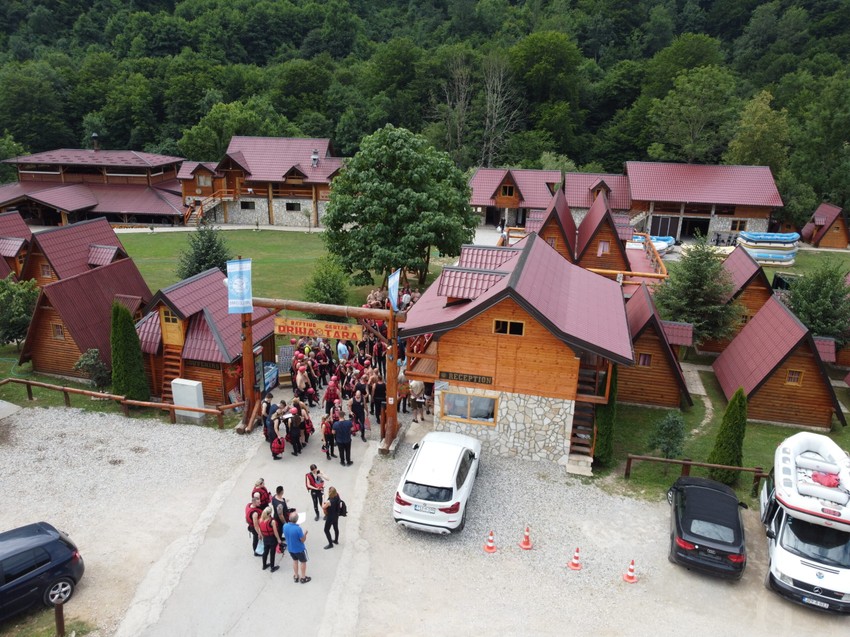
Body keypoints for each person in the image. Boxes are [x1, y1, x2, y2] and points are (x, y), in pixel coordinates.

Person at [283, 511, 310, 584]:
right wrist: (305, 533)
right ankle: (303, 577)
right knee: (303, 562)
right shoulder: (298, 529)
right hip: (299, 549)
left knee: (295, 561)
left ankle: (296, 576)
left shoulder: (285, 526)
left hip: (291, 549)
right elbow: (302, 540)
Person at [259, 506, 281, 572]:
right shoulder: (272, 521)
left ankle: (264, 565)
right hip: (272, 538)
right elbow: (275, 531)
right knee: (272, 553)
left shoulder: (261, 519)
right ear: (270, 513)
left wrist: (260, 535)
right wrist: (278, 539)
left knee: (265, 551)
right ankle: (272, 567)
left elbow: (260, 529)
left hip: (265, 538)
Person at [271, 486, 291, 553]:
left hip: (275, 516)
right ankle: (278, 545)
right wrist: (285, 523)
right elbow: (280, 515)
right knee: (279, 531)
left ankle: (279, 538)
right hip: (280, 520)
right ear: (282, 492)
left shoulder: (274, 497)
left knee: (280, 531)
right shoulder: (280, 505)